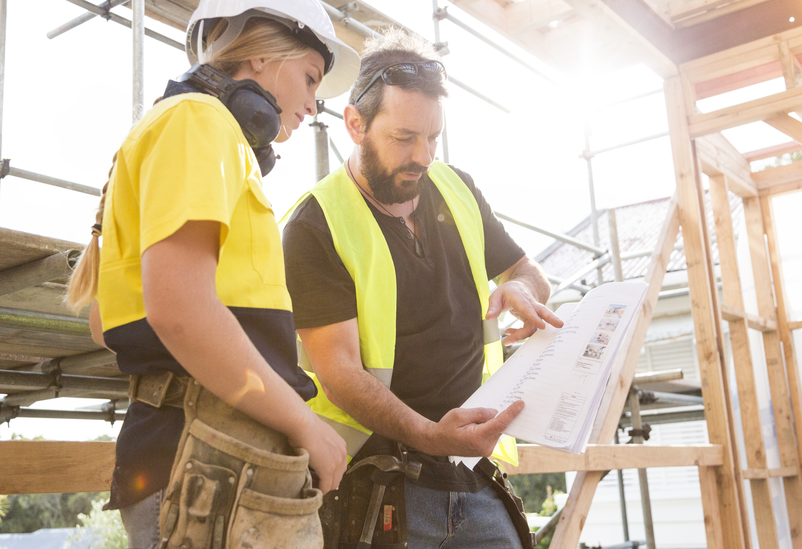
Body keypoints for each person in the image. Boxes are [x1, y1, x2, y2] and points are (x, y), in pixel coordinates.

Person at [65, 1, 359, 547]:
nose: (314, 104)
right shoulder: (200, 122)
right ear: (264, 55)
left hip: (199, 454)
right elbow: (180, 311)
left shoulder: (181, 127)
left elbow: (108, 324)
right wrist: (304, 422)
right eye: (311, 78)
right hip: (213, 459)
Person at [282, 28, 563, 549]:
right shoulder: (315, 224)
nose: (423, 155)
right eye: (404, 138)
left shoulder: (456, 188)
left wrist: (522, 290)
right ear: (355, 123)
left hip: (474, 477)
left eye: (433, 138)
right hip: (375, 486)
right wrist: (430, 435)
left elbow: (530, 274)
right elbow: (340, 372)